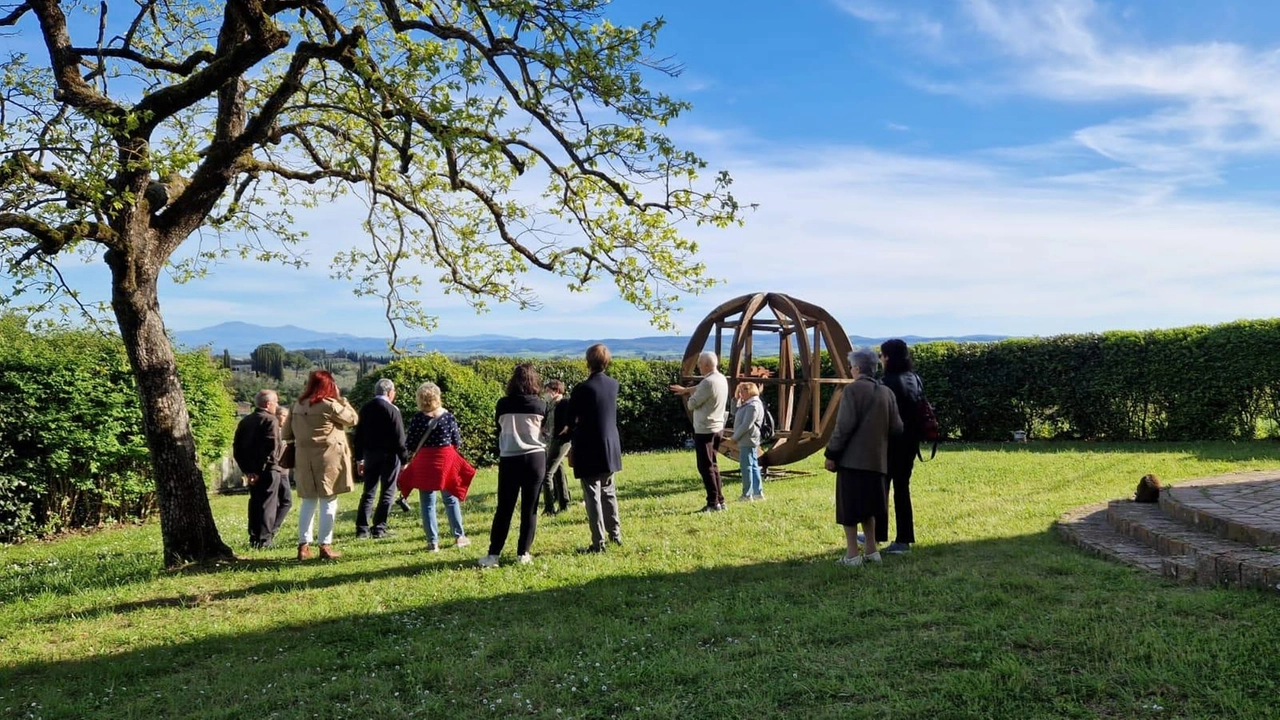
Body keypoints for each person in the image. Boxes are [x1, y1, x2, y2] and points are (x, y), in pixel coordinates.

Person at [824, 349, 902, 567]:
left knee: (849, 509)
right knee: (870, 509)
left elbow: (843, 427)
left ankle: (852, 555)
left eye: (851, 367)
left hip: (852, 461)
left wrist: (831, 453)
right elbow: (897, 427)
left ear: (857, 368)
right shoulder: (887, 392)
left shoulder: (852, 391)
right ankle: (871, 550)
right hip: (878, 461)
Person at [284, 369, 359, 561]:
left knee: (308, 501)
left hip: (304, 458)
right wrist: (343, 400)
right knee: (328, 500)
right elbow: (352, 419)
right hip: (328, 458)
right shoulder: (329, 405)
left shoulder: (297, 405)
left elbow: (285, 434)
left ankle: (303, 545)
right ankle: (325, 545)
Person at [478, 364, 548, 567]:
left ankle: (493, 554)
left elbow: (498, 426)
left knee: (504, 508)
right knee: (530, 508)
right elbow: (545, 430)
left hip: (510, 457)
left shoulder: (503, 404)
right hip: (535, 457)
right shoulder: (541, 405)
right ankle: (523, 553)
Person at [401, 381, 472, 552]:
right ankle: (459, 536)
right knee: (450, 499)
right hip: (446, 461)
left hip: (426, 462)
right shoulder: (448, 417)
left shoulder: (418, 418)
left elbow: (410, 444)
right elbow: (457, 441)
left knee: (427, 503)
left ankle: (433, 542)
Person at [570, 343, 623, 553]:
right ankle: (615, 534)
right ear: (606, 361)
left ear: (588, 362)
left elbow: (571, 417)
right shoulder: (613, 384)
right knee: (609, 491)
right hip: (610, 443)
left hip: (588, 444)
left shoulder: (582, 389)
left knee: (592, 494)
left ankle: (598, 541)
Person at [669, 351, 729, 512]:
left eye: (700, 363)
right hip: (717, 428)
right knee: (713, 465)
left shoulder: (708, 382)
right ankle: (720, 500)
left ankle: (712, 502)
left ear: (707, 365)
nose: (698, 366)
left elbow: (692, 404)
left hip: (705, 429)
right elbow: (703, 386)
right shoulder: (721, 378)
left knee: (705, 467)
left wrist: (688, 396)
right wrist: (686, 390)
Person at [878, 339, 923, 555]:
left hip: (890, 443)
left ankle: (885, 536)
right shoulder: (914, 378)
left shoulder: (887, 382)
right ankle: (902, 537)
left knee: (882, 489)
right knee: (901, 489)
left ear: (887, 357)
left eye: (881, 355)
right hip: (910, 442)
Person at [233, 389, 291, 548]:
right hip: (269, 470)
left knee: (255, 503)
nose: (277, 405)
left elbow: (237, 448)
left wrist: (248, 471)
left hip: (251, 470)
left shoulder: (245, 421)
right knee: (268, 505)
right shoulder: (270, 420)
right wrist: (260, 470)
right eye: (276, 402)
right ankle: (265, 540)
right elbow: (272, 448)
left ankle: (254, 538)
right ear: (268, 403)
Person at [353, 378, 409, 539]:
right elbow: (400, 438)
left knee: (368, 491)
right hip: (390, 456)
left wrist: (359, 459)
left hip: (370, 454)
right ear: (390, 392)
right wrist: (404, 460)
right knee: (387, 492)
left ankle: (362, 529)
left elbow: (359, 437)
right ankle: (379, 528)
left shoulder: (366, 408)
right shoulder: (392, 410)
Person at [540, 379, 574, 516]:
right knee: (558, 471)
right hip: (552, 440)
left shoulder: (564, 402)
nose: (546, 393)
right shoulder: (550, 405)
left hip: (561, 441)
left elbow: (570, 418)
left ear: (556, 391)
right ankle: (564, 502)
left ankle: (549, 508)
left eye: (548, 390)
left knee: (547, 474)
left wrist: (566, 427)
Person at [729, 381, 765, 502]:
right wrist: (735, 398)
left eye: (743, 390)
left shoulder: (753, 405)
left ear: (750, 391)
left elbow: (746, 425)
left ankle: (747, 494)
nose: (741, 393)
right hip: (747, 438)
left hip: (748, 439)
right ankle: (757, 492)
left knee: (746, 467)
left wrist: (735, 437)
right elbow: (734, 412)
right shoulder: (747, 404)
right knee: (753, 465)